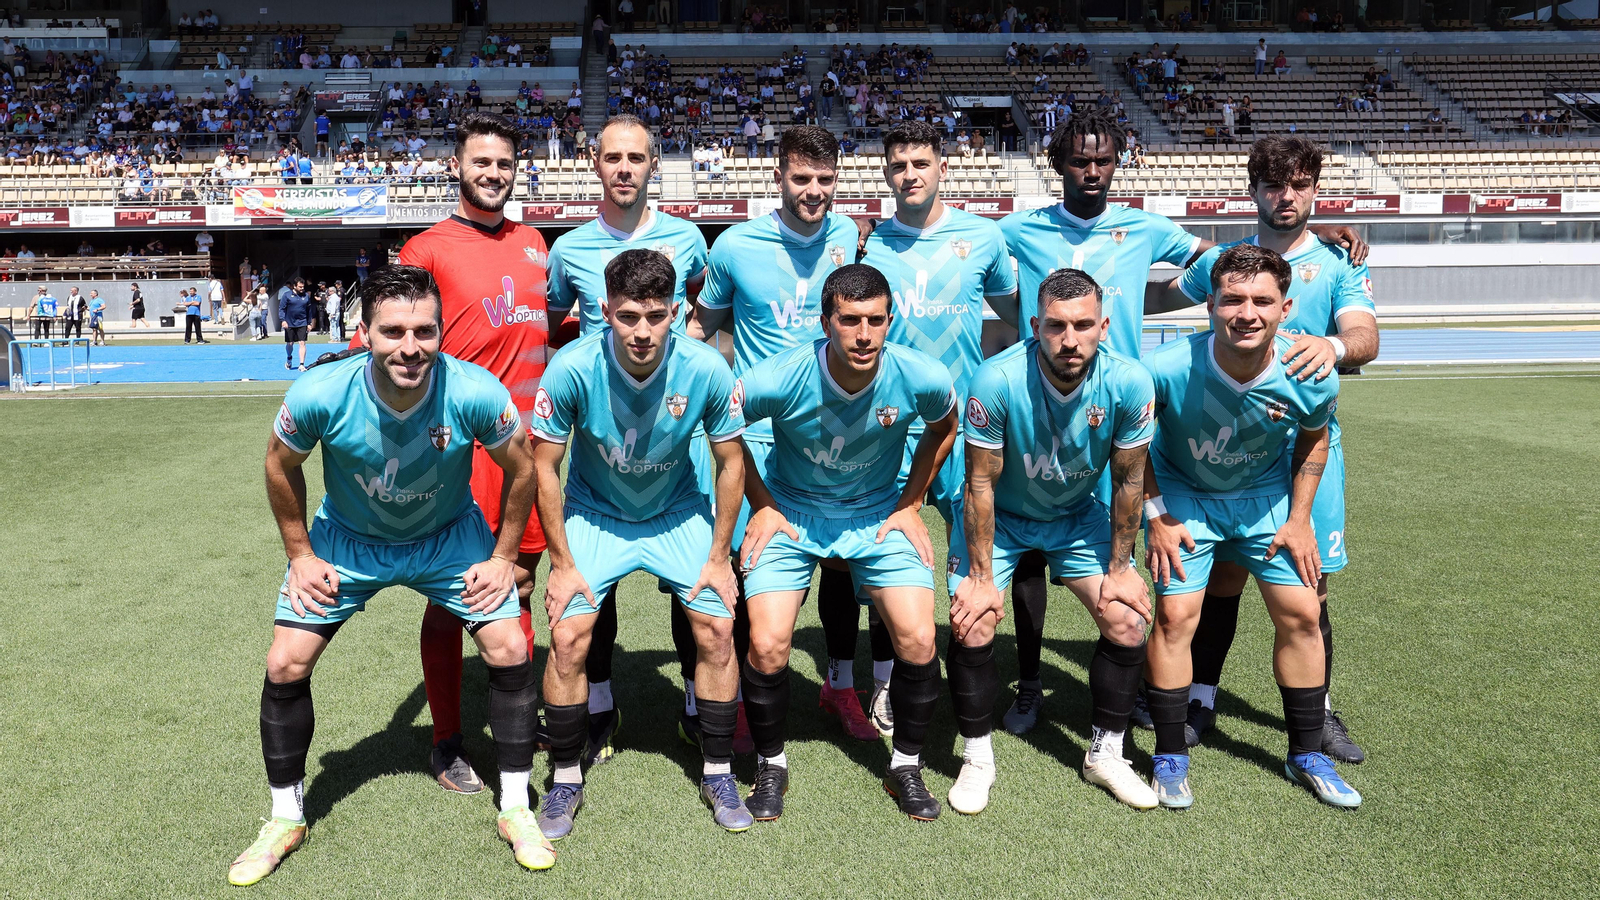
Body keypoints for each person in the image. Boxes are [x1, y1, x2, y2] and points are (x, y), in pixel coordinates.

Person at [995, 108, 1362, 733]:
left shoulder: (1146, 227)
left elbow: (1231, 258)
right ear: (1056, 164)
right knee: (1030, 552)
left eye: (1103, 159)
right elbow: (961, 246)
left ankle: (1137, 689)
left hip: (1123, 414)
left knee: (1129, 555)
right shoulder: (1016, 229)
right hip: (1041, 404)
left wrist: (1310, 236)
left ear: (1118, 164)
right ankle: (1030, 685)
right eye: (1079, 159)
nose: (1092, 169)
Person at [226, 266, 551, 886]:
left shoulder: (475, 391)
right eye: (394, 331)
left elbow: (523, 468)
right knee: (285, 663)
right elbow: (279, 464)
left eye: (425, 331)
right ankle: (284, 817)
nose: (411, 347)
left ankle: (515, 808)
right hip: (348, 544)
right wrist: (300, 553)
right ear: (364, 332)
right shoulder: (321, 393)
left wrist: (504, 556)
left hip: (448, 539)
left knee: (509, 647)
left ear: (441, 331)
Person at [1152, 136, 1378, 763]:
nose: (1287, 197)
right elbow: (1159, 297)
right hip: (1217, 446)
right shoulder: (1223, 259)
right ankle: (1199, 696)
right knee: (1219, 576)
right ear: (1252, 191)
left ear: (1315, 189)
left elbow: (1364, 336)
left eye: (1300, 185)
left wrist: (1331, 348)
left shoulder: (1339, 261)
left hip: (1303, 447)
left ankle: (1320, 715)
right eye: (1275, 186)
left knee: (1311, 584)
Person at [530, 249, 752, 839]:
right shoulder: (571, 368)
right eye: (628, 316)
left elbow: (732, 464)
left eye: (656, 316)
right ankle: (565, 779)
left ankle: (718, 769)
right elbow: (544, 468)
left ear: (676, 313)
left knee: (717, 628)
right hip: (596, 514)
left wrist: (717, 557)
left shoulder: (706, 368)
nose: (642, 332)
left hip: (677, 512)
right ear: (604, 312)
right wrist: (562, 564)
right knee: (569, 635)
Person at [1140, 243, 1362, 810]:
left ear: (1285, 309)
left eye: (1262, 300)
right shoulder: (1164, 369)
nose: (1247, 312)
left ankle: (1306, 753)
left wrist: (1299, 519)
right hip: (1186, 499)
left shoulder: (1310, 372)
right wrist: (1157, 515)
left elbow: (1314, 437)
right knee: (1175, 615)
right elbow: (1130, 443)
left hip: (1266, 501)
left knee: (1303, 613)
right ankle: (1169, 756)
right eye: (1232, 299)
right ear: (1209, 304)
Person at [736, 263, 959, 822]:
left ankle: (905, 765)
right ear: (825, 320)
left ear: (891, 321)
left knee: (916, 638)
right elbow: (723, 427)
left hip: (877, 512)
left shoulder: (920, 375)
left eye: (876, 321)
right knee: (766, 644)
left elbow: (945, 426)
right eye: (851, 320)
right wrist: (762, 502)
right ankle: (771, 765)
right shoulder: (779, 376)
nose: (864, 335)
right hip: (792, 510)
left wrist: (911, 501)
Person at [542, 114, 719, 762]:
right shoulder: (570, 250)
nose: (623, 168)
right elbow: (556, 322)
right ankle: (599, 705)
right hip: (604, 444)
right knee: (598, 585)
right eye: (612, 157)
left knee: (689, 583)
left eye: (635, 158)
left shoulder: (688, 239)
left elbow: (704, 307)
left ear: (653, 164)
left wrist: (692, 359)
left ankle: (698, 706)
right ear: (594, 163)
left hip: (674, 437)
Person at [391, 111, 555, 795]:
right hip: (457, 453)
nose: (493, 173)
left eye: (503, 163)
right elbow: (394, 343)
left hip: (532, 451)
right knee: (451, 597)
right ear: (456, 166)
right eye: (480, 162)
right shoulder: (424, 250)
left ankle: (512, 711)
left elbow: (554, 324)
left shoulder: (536, 243)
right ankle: (447, 739)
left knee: (517, 581)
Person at [853, 121, 1020, 785]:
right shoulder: (871, 243)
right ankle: (893, 677)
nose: (909, 174)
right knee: (892, 555)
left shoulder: (984, 238)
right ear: (887, 174)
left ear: (942, 167)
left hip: (968, 427)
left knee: (976, 547)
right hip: (895, 430)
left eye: (920, 162)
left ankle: (983, 670)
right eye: (898, 165)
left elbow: (1010, 311)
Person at [955, 268, 1158, 811]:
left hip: (1074, 516)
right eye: (1056, 326)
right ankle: (977, 757)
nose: (1070, 340)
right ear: (1034, 325)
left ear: (1104, 325)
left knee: (1128, 619)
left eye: (1084, 325)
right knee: (974, 625)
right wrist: (978, 579)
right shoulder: (995, 380)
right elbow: (978, 483)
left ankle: (1106, 754)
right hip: (1004, 517)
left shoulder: (1130, 381)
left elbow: (1130, 480)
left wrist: (1120, 567)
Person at [693, 126, 866, 748]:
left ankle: (840, 685)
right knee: (749, 566)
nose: (813, 191)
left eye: (824, 180)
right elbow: (701, 332)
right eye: (801, 178)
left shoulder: (848, 237)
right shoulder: (736, 246)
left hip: (841, 434)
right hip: (759, 443)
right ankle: (736, 697)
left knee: (842, 565)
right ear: (779, 178)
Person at [278, 276, 311, 367]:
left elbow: (309, 310)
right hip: (289, 323)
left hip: (302, 322)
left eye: (303, 287)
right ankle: (289, 358)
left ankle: (301, 364)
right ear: (294, 286)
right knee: (290, 343)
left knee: (302, 342)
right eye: (300, 287)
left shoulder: (306, 296)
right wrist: (283, 320)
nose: (302, 288)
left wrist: (309, 323)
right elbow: (281, 309)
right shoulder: (287, 295)